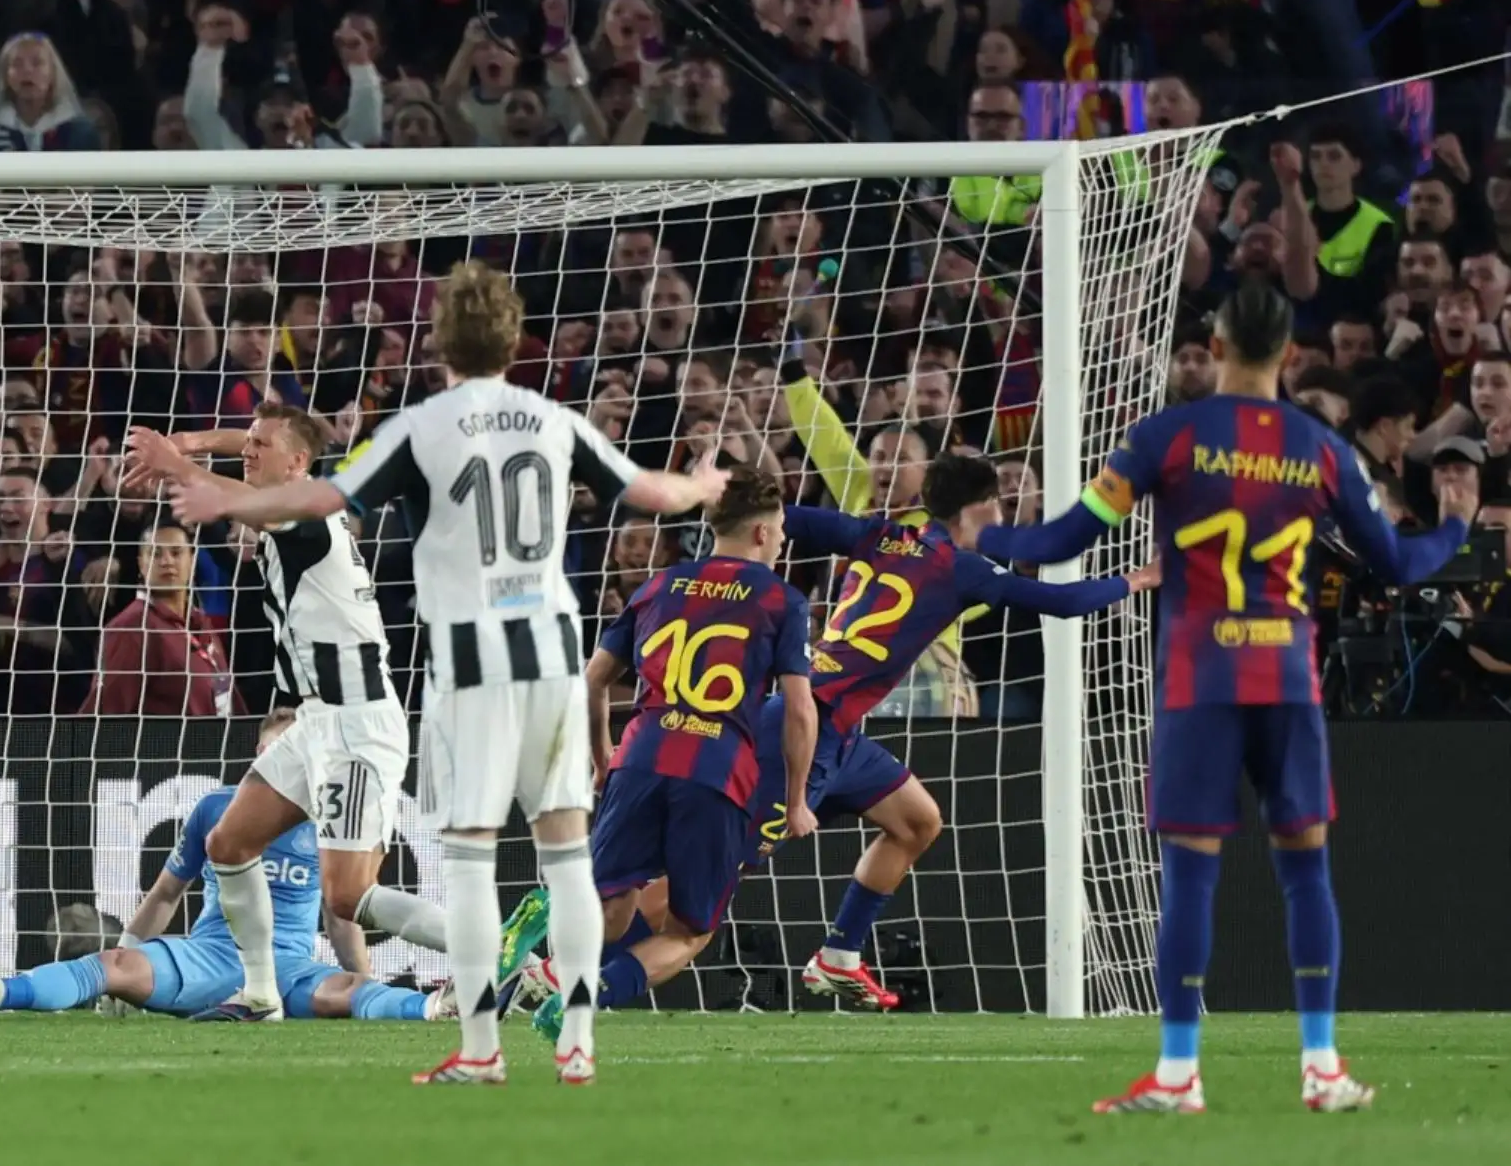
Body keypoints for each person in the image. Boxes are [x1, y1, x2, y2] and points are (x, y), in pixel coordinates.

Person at [168, 260, 729, 1086]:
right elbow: (650, 491)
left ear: (439, 343)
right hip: (550, 658)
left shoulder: (423, 428)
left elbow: (322, 498)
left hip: (467, 665)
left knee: (468, 859)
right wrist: (703, 484)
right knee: (565, 854)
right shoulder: (551, 419)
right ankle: (577, 1039)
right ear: (514, 339)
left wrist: (220, 497)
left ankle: (481, 1049)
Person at [977, 279, 1473, 1114]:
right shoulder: (1320, 448)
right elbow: (1394, 563)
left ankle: (1179, 1073)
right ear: (1290, 353)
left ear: (1213, 346)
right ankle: (1322, 1067)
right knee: (1306, 872)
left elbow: (1063, 539)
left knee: (1190, 878)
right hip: (1286, 681)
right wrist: (1455, 523)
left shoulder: (1165, 438)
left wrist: (981, 533)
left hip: (1198, 682)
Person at [509, 453, 1156, 1020]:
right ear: (981, 509)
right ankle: (562, 968)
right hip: (800, 730)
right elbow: (1064, 603)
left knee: (918, 822)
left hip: (838, 730)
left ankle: (839, 955)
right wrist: (1142, 578)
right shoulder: (964, 569)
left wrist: (717, 487)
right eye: (998, 506)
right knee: (690, 894)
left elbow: (778, 516)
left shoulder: (877, 535)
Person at [123, 402, 441, 1015]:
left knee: (347, 898)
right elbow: (251, 456)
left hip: (356, 725)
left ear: (296, 464)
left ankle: (496, 951)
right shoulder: (300, 501)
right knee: (228, 843)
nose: (247, 451)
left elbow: (240, 498)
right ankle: (261, 991)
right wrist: (190, 441)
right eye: (248, 442)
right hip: (316, 720)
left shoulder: (307, 516)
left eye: (261, 446)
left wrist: (175, 464)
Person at [520, 466, 817, 1041]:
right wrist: (798, 800)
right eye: (780, 530)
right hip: (716, 769)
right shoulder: (782, 599)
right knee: (689, 931)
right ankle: (587, 994)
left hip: (642, 755)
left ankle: (543, 913)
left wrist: (603, 755)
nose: (782, 541)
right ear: (761, 533)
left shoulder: (660, 584)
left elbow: (592, 680)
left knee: (611, 911)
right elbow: (800, 711)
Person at [0, 709, 453, 1024]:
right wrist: (129, 954)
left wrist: (361, 980)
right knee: (112, 965)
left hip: (289, 968)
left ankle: (433, 1006)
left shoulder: (331, 821)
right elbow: (167, 893)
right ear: (260, 756)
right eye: (275, 751)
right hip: (207, 958)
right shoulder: (218, 809)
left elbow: (340, 917)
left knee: (345, 992)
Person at [80, 520, 242, 717]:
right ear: (141, 564)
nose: (167, 561)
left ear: (192, 560)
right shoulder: (132, 629)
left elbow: (226, 695)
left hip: (220, 735)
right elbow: (102, 715)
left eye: (176, 553)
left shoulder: (201, 624)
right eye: (156, 554)